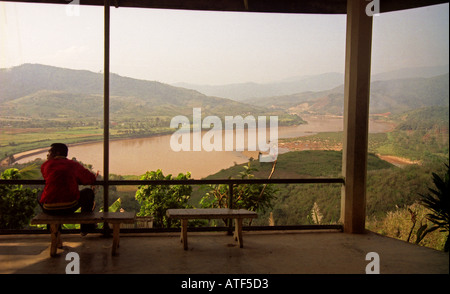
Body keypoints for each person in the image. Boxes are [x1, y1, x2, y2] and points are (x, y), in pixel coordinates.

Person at [38, 143, 97, 235]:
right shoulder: (73, 165)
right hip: (69, 207)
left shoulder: (46, 165)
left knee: (40, 194)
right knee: (88, 192)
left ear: (57, 153)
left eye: (49, 152)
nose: (47, 155)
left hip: (49, 209)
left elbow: (48, 177)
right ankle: (86, 227)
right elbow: (90, 179)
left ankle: (53, 229)